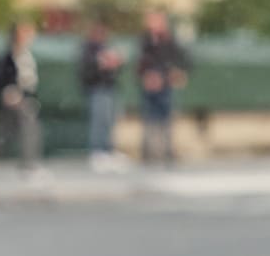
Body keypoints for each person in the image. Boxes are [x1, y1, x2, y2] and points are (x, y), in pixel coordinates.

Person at [0, 19, 43, 175]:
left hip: (25, 98)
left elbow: (29, 80)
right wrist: (9, 92)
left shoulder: (26, 54)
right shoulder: (8, 55)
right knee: (17, 128)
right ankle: (27, 163)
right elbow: (2, 78)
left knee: (9, 132)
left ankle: (28, 162)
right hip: (11, 100)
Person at [136, 10, 190, 165]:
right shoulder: (145, 40)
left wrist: (173, 73)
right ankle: (148, 152)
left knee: (165, 119)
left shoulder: (169, 40)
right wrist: (147, 76)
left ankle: (167, 151)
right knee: (150, 120)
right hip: (150, 87)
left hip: (165, 86)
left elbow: (183, 59)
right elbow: (141, 62)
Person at [77, 18, 126, 169]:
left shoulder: (107, 46)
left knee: (109, 120)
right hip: (97, 88)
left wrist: (115, 62)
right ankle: (97, 151)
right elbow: (87, 68)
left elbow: (116, 65)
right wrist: (101, 63)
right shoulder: (88, 48)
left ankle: (108, 149)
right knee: (99, 120)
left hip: (109, 87)